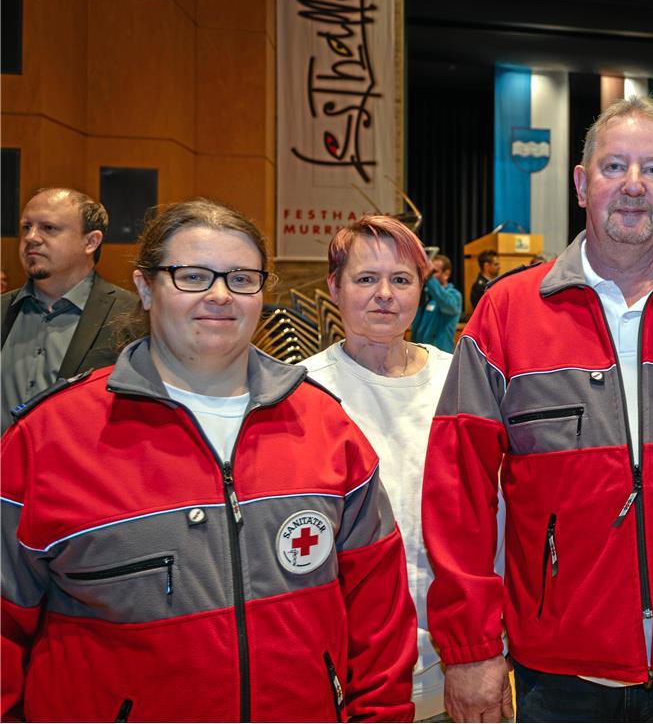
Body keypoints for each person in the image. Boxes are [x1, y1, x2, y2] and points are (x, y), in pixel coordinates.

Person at [1, 198, 417, 721]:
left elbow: (378, 615)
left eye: (242, 279)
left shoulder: (326, 427)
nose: (220, 296)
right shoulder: (48, 440)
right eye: (193, 276)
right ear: (145, 287)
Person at [422, 96, 653, 723]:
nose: (634, 186)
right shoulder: (507, 313)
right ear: (581, 183)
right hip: (559, 677)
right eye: (614, 167)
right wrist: (468, 649)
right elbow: (457, 489)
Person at [300, 215, 456, 720]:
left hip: (453, 664)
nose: (384, 294)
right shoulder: (301, 391)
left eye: (401, 279)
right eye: (366, 279)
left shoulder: (457, 381)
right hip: (345, 670)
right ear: (334, 287)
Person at [1, 187, 136, 433]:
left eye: (48, 228)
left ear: (90, 241)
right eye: (26, 227)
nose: (32, 237)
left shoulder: (130, 317)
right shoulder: (3, 310)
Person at [411, 253, 462, 353]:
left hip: (441, 355)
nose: (428, 274)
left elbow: (446, 304)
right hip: (420, 354)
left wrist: (430, 278)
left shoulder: (454, 295)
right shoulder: (426, 295)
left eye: (433, 272)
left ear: (446, 274)